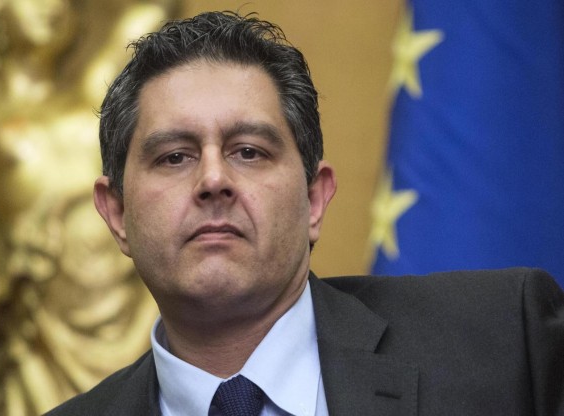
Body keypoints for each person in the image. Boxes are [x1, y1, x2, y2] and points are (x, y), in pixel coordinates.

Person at [46, 11, 564, 416]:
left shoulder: (503, 344)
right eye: (174, 157)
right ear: (116, 213)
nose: (213, 180)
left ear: (315, 199)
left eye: (249, 151)